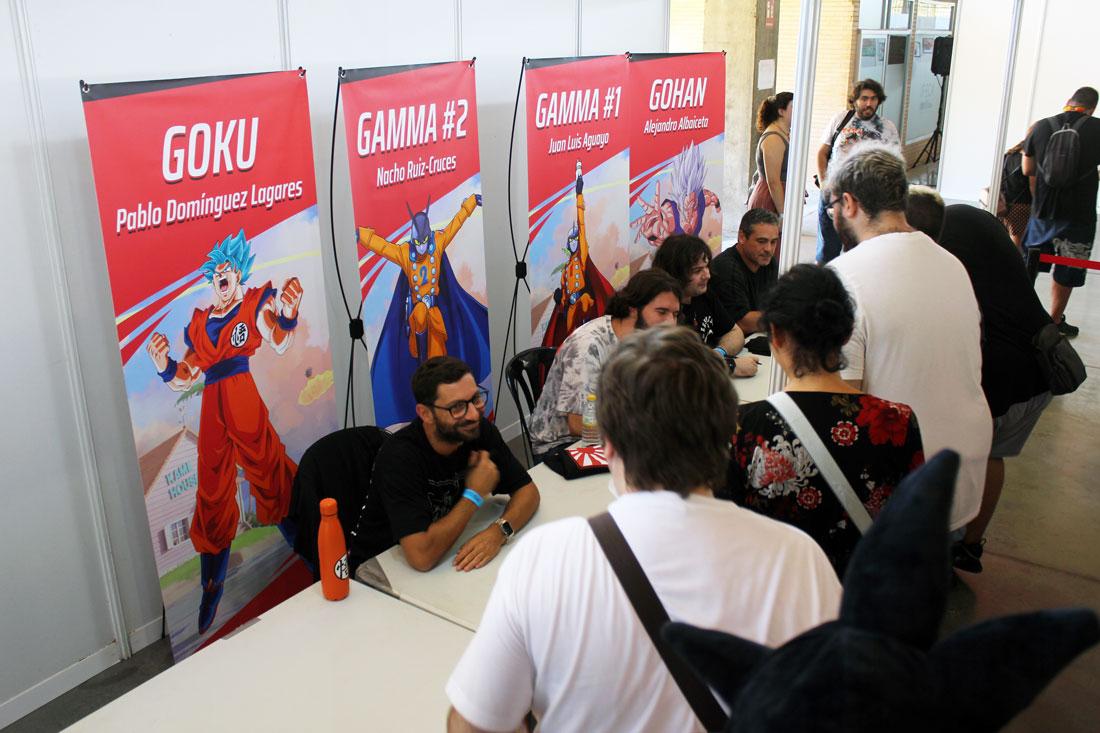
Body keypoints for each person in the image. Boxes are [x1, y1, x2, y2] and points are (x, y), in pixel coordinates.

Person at [445, 327, 842, 733]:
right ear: (728, 435)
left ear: (609, 443)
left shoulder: (544, 558)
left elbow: (472, 724)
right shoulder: (799, 557)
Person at [826, 146, 992, 534]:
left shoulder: (844, 275)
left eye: (833, 203)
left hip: (894, 488)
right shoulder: (952, 264)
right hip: (959, 473)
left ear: (849, 203)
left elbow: (840, 401)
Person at [146, 229, 302, 634]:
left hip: (242, 395)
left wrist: (287, 313)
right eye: (216, 269)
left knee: (268, 469)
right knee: (212, 491)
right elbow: (186, 375)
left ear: (240, 274)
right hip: (213, 405)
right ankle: (211, 585)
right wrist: (164, 364)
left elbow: (277, 338)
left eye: (228, 268)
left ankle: (306, 548)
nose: (221, 274)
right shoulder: (200, 324)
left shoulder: (252, 305)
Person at [722, 264, 924, 575]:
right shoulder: (896, 421)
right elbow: (910, 526)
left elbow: (725, 530)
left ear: (774, 334)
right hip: (860, 600)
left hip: (774, 599)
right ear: (845, 335)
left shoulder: (743, 426)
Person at [907, 191, 1055, 574]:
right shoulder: (972, 220)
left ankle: (945, 546)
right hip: (1039, 363)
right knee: (993, 455)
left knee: (964, 454)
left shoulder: (941, 253)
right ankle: (970, 547)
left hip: (1004, 373)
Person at [347, 357, 540, 573]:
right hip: (377, 571)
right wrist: (474, 494)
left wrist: (499, 532)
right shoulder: (400, 457)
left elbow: (528, 491)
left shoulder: (476, 429)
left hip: (441, 559)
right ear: (425, 413)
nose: (474, 413)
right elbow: (421, 557)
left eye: (475, 398)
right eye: (457, 407)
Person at [527, 268, 683, 456]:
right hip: (562, 446)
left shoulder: (646, 337)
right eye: (662, 312)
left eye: (674, 315)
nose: (670, 323)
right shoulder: (588, 347)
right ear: (633, 308)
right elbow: (579, 423)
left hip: (613, 430)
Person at [1022, 86, 1100, 338]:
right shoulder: (1097, 128)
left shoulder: (1041, 126)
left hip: (1043, 210)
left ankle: (1024, 317)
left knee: (1031, 263)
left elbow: (1027, 169)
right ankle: (1054, 321)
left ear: (1068, 102)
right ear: (1092, 108)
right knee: (1068, 267)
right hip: (1080, 215)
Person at [816, 79, 900, 264]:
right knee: (827, 249)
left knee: (860, 249)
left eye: (873, 99)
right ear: (855, 100)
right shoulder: (840, 119)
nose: (869, 103)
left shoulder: (888, 128)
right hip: (834, 192)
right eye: (864, 98)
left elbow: (895, 164)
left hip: (867, 197)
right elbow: (822, 153)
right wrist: (824, 184)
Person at [651, 234, 757, 377]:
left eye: (706, 267)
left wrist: (719, 353)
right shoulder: (665, 312)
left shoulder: (703, 294)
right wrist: (728, 365)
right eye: (697, 270)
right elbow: (675, 369)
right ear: (675, 273)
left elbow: (735, 333)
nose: (707, 275)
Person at [709, 209, 781, 335]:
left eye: (773, 242)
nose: (769, 249)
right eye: (761, 241)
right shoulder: (727, 269)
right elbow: (744, 323)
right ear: (742, 237)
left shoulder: (768, 263)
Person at [747, 92, 793, 215]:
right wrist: (783, 215)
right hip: (770, 201)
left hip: (778, 198)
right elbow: (773, 182)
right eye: (793, 107)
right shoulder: (773, 138)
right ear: (781, 112)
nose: (798, 110)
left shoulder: (783, 133)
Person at [998, 138, 1032, 251]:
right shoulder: (1027, 159)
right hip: (1021, 206)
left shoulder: (1008, 155)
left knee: (1004, 241)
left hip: (1004, 204)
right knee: (1016, 248)